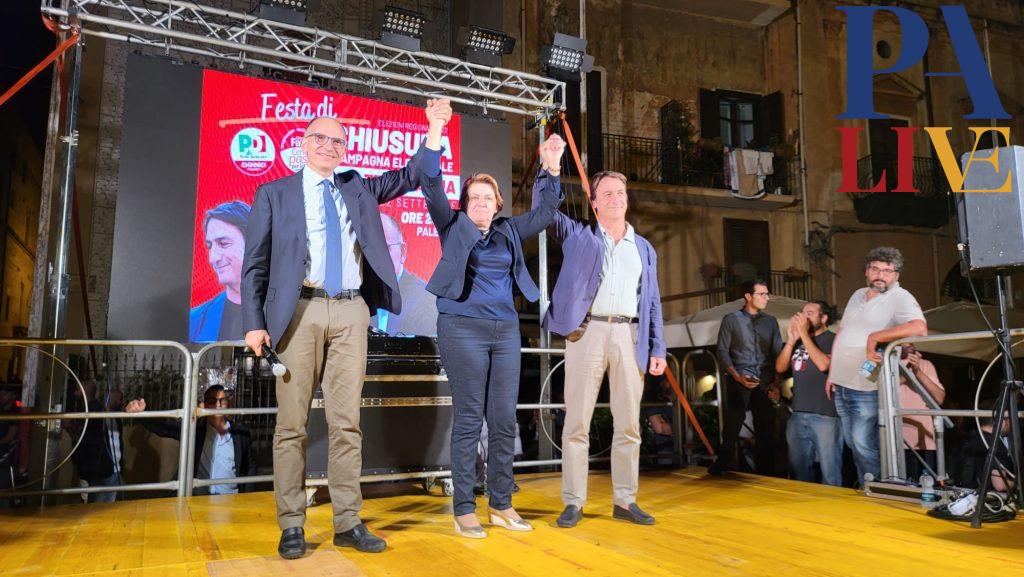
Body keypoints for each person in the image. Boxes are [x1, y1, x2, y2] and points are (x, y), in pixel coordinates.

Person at [242, 99, 452, 558]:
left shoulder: (357, 188)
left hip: (352, 311)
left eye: (337, 141)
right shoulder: (274, 193)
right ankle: (292, 524)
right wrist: (254, 323)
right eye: (320, 138)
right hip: (299, 311)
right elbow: (254, 264)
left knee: (346, 423)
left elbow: (413, 174)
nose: (329, 146)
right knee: (292, 425)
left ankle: (347, 521)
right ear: (304, 144)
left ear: (344, 150)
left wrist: (434, 127)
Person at [423, 133, 565, 538]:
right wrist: (434, 134)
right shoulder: (452, 226)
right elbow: (431, 184)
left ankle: (501, 503)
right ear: (464, 204)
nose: (481, 203)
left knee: (503, 419)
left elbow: (546, 211)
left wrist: (552, 166)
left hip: (505, 331)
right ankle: (464, 509)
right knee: (470, 418)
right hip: (461, 328)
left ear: (498, 204)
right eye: (474, 197)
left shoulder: (508, 231)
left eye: (488, 197)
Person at [535, 170, 667, 529]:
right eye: (606, 193)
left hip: (630, 334)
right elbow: (545, 211)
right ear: (593, 203)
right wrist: (549, 170)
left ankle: (625, 500)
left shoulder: (643, 248)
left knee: (629, 425)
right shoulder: (580, 235)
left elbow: (652, 301)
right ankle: (573, 502)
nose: (615, 198)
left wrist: (657, 347)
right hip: (587, 331)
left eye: (620, 192)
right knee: (577, 423)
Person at [827, 247, 926, 484]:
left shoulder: (899, 296)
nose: (880, 275)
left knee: (863, 443)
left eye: (887, 271)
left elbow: (919, 328)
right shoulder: (858, 294)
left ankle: (878, 488)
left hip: (866, 385)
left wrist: (875, 337)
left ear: (896, 275)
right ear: (866, 271)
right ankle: (868, 485)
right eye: (875, 269)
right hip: (842, 382)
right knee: (853, 443)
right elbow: (842, 332)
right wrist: (831, 373)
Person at [708, 279, 783, 476]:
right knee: (732, 425)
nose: (766, 298)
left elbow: (777, 353)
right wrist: (737, 376)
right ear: (748, 296)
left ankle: (766, 472)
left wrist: (776, 383)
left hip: (764, 381)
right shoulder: (732, 319)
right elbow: (722, 351)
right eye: (762, 294)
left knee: (765, 427)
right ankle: (723, 462)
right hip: (739, 379)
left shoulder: (771, 322)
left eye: (767, 294)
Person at [124, 385, 255, 495]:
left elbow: (250, 467)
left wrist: (247, 497)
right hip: (200, 500)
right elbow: (164, 427)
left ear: (228, 404)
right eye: (212, 400)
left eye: (222, 400)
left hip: (230, 500)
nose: (218, 404)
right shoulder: (195, 430)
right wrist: (141, 413)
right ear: (204, 405)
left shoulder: (241, 433)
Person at [775, 300, 842, 486]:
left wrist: (803, 334)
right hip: (798, 414)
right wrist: (791, 340)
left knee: (830, 474)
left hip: (825, 415)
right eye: (803, 313)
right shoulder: (798, 342)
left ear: (824, 318)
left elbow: (824, 365)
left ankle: (833, 504)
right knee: (799, 474)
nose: (804, 317)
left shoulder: (833, 339)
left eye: (810, 313)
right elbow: (780, 368)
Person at [190, 201, 251, 342]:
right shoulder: (195, 320)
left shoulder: (285, 311)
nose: (213, 258)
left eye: (223, 244)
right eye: (210, 246)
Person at [369, 213, 438, 336]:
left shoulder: (426, 301)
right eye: (369, 248)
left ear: (402, 252)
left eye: (385, 247)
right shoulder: (354, 298)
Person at [65, 381, 124, 503]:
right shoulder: (104, 413)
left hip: (102, 470)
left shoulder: (94, 411)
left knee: (98, 508)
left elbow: (85, 438)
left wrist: (69, 428)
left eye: (77, 389)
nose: (74, 393)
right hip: (104, 469)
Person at [897, 345, 945, 481]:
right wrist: (905, 375)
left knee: (925, 487)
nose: (909, 345)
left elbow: (939, 398)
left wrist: (918, 372)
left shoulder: (925, 364)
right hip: (894, 441)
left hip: (923, 440)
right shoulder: (884, 362)